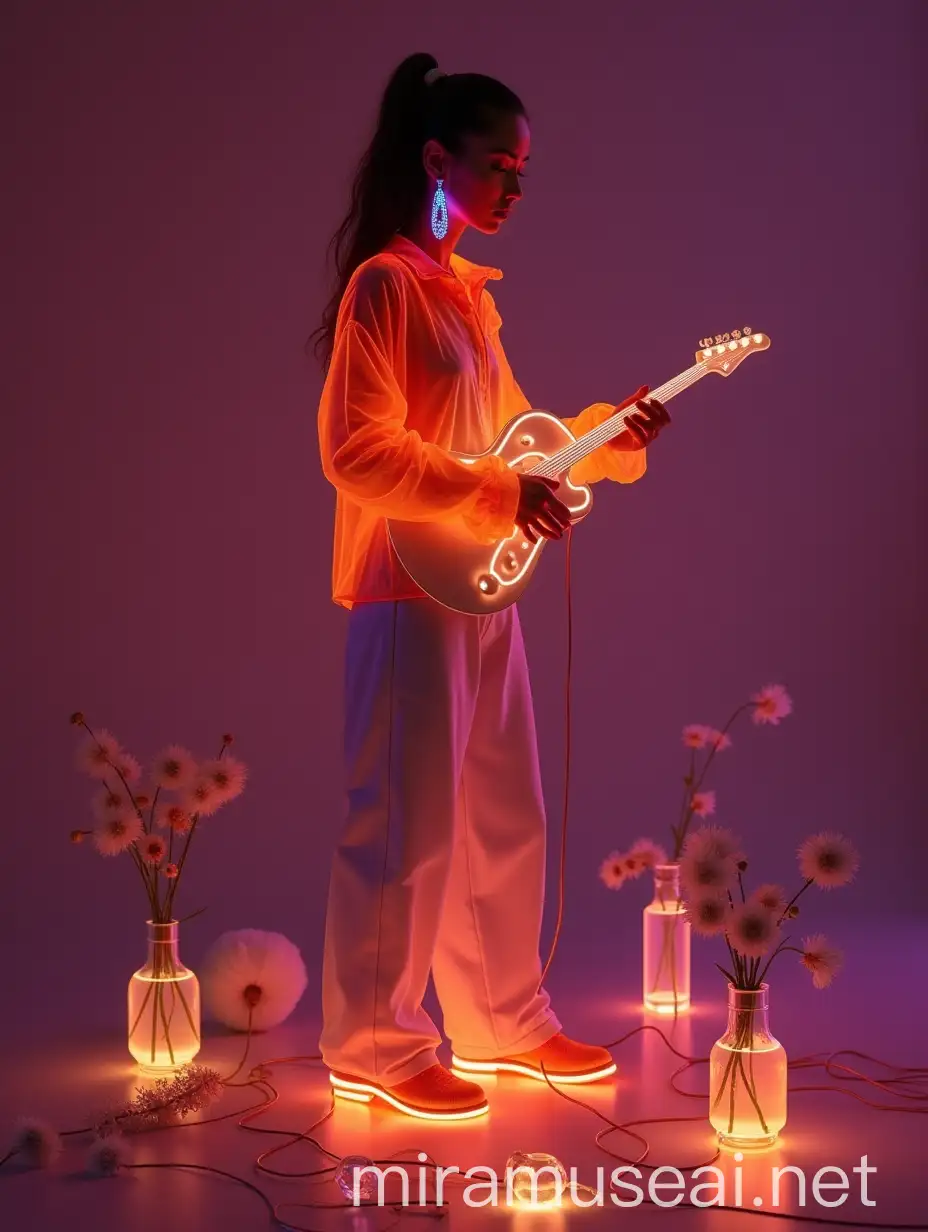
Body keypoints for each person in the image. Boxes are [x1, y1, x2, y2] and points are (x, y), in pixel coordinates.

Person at [309, 53, 670, 1121]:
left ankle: (503, 1015)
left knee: (501, 805)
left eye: (524, 169)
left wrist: (608, 436)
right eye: (498, 163)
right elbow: (354, 450)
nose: (515, 185)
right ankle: (372, 1038)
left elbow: (525, 440)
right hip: (405, 578)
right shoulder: (385, 285)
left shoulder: (466, 296)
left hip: (476, 577)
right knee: (404, 814)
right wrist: (495, 489)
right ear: (437, 160)